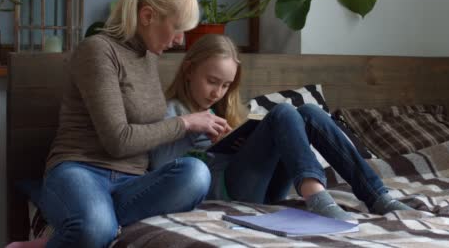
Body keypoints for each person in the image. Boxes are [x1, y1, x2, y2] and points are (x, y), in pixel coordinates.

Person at [7, 0, 232, 248]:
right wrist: (186, 123)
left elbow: (151, 137)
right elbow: (118, 140)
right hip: (80, 170)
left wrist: (200, 136)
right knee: (96, 228)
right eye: (177, 29)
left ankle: (85, 229)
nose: (180, 40)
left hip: (132, 183)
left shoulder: (149, 57)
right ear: (147, 15)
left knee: (196, 174)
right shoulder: (98, 50)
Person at [150, 34, 414, 222]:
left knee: (309, 113)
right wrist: (191, 129)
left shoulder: (221, 110)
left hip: (263, 189)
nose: (217, 92)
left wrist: (237, 142)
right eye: (211, 81)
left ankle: (377, 195)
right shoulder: (172, 111)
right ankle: (317, 198)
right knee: (283, 112)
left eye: (225, 85)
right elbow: (159, 167)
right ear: (188, 70)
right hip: (228, 192)